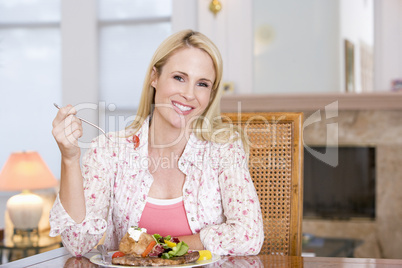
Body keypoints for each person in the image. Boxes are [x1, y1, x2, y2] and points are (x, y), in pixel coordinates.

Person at [50, 29, 264, 257]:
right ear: (154, 77)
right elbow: (78, 244)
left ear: (211, 94)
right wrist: (70, 158)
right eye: (179, 78)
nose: (189, 94)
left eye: (202, 84)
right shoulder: (108, 151)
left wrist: (159, 245)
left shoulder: (224, 149)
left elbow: (249, 236)